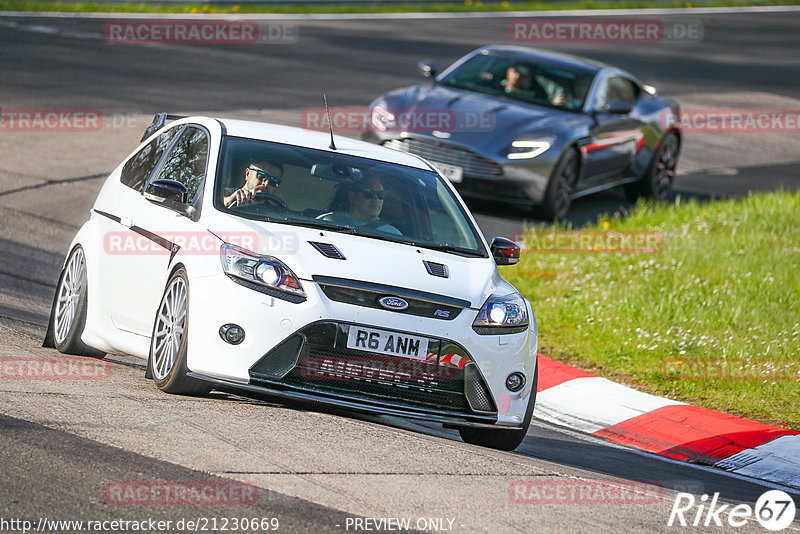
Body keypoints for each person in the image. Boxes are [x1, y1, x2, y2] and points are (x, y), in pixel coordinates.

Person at [318, 176, 401, 235]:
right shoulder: (326, 221)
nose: (376, 199)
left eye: (381, 194)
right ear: (353, 196)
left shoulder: (393, 233)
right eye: (369, 193)